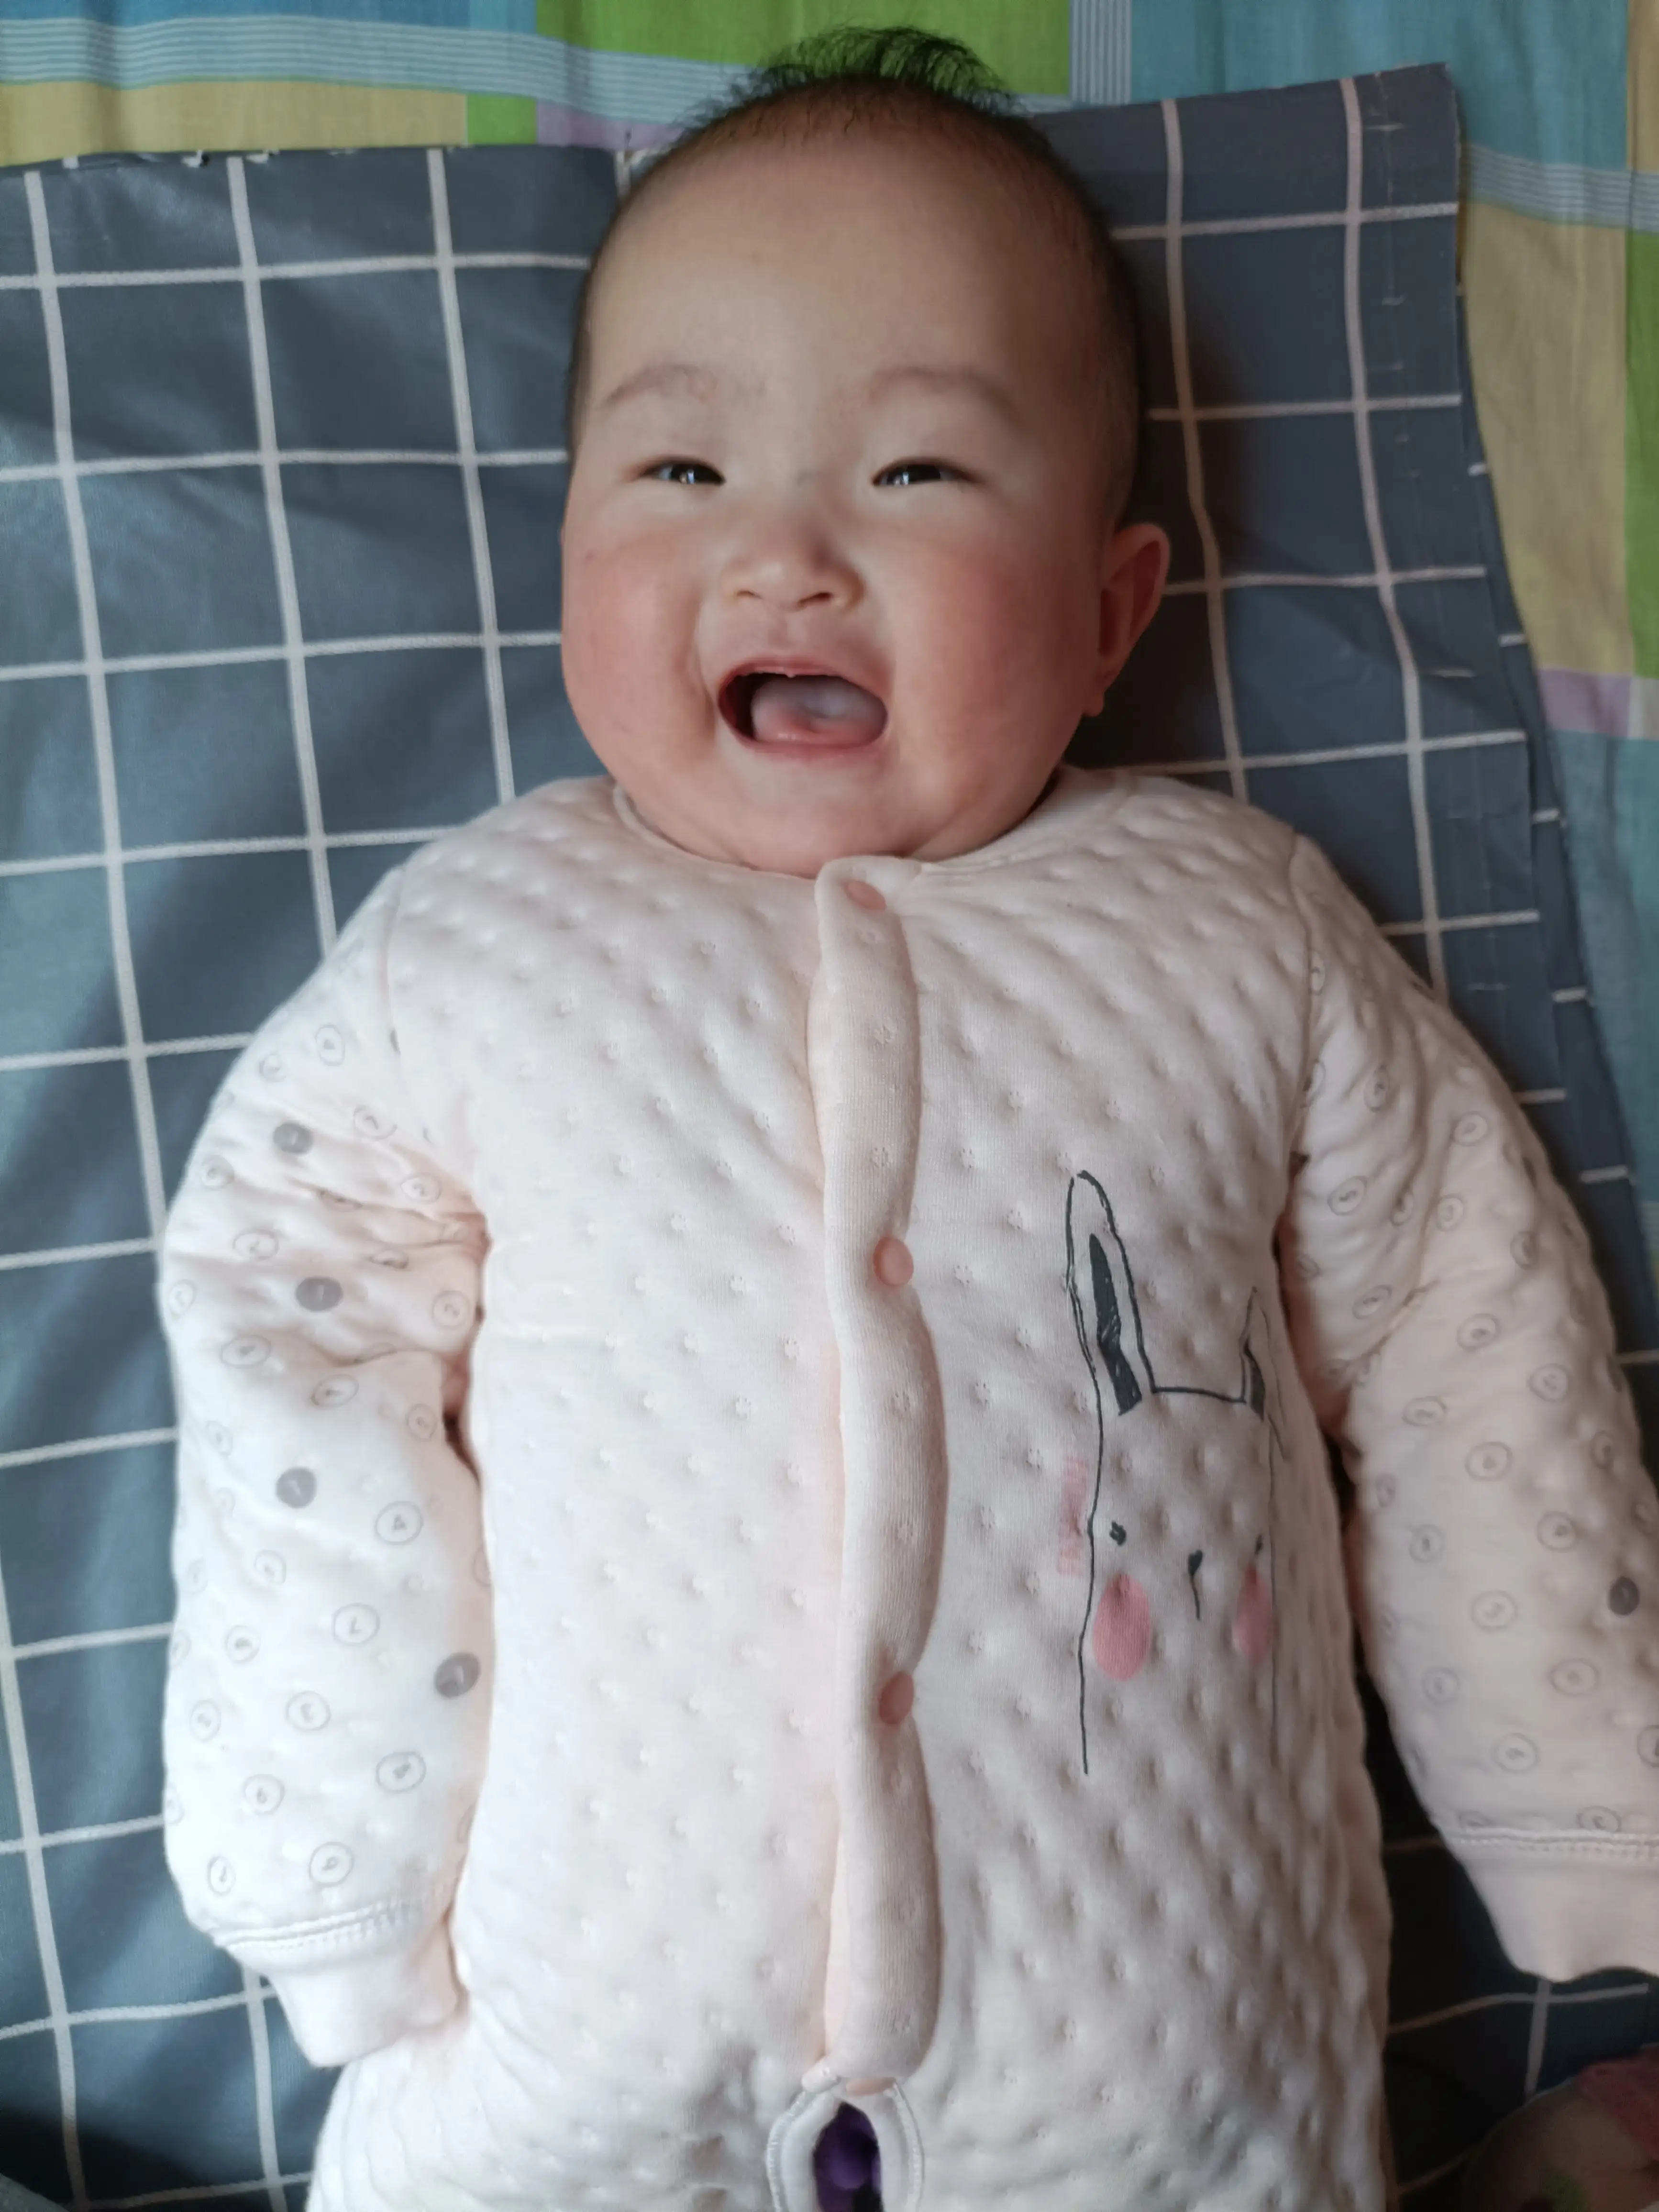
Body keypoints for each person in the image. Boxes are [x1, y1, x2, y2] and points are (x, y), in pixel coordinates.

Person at [154, 27, 1659, 2211]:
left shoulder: (1233, 928)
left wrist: (1579, 1793)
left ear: (1113, 612)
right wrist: (328, 1863)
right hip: (573, 2024)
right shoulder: (475, 947)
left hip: (1169, 2037)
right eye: (682, 470)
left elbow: (1457, 1318)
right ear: (564, 545)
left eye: (921, 472)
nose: (787, 557)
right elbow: (283, 1323)